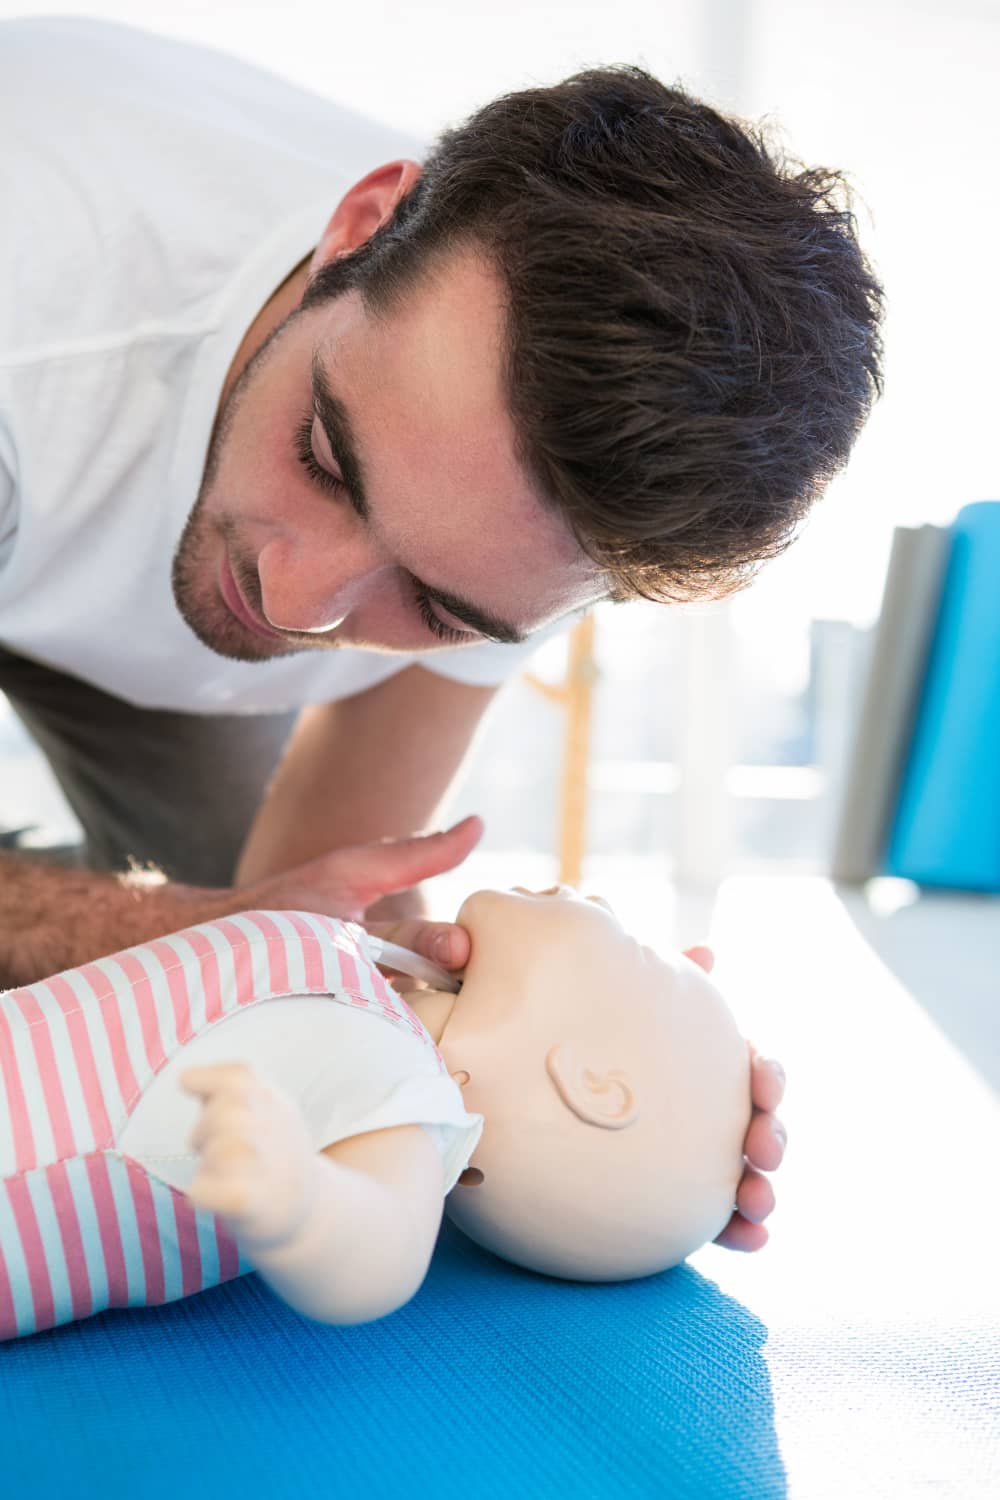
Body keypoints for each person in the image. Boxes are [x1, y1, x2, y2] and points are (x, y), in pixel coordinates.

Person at [0, 17, 884, 1247]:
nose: (301, 607)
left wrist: (583, 1090)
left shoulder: (544, 500)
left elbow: (297, 948)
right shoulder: (32, 298)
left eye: (438, 606)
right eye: (326, 459)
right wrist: (153, 927)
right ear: (357, 228)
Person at [0, 886, 752, 1339]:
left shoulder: (403, 1084)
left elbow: (381, 1254)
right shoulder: (372, 992)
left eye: (643, 952)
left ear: (595, 1082)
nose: (609, 902)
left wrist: (303, 1197)